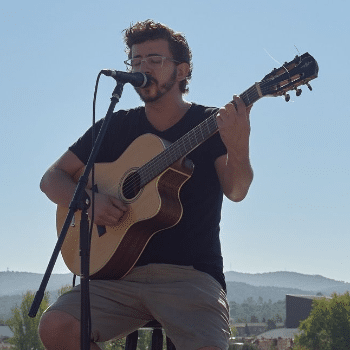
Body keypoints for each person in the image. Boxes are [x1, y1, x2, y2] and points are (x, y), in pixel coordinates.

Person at [38, 19, 253, 350]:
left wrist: (239, 145)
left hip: (189, 279)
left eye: (154, 60)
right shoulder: (117, 125)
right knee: (55, 326)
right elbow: (52, 178)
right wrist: (89, 203)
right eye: (136, 62)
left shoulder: (210, 123)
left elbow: (237, 191)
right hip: (116, 278)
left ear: (182, 71)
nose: (143, 69)